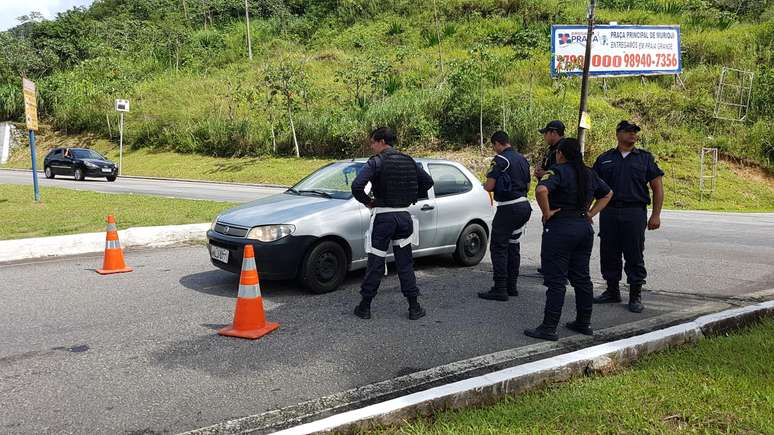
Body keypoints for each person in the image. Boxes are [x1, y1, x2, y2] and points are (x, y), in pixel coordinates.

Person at [524, 138, 612, 341]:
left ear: (561, 154)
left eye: (557, 153)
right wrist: (590, 213)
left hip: (561, 227)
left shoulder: (558, 171)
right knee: (581, 277)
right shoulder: (589, 172)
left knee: (556, 280)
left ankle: (549, 327)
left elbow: (541, 189)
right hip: (583, 227)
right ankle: (584, 322)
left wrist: (547, 213)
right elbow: (608, 194)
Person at [350, 127, 434, 320]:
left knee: (376, 263)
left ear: (381, 142)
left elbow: (356, 186)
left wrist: (368, 201)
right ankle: (414, 307)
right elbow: (428, 182)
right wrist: (411, 196)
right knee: (405, 264)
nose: (371, 146)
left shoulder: (377, 161)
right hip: (404, 219)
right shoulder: (408, 160)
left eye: (372, 142)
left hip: (383, 219)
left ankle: (365, 306)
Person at [592, 121, 664, 313]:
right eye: (628, 131)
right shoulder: (605, 158)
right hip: (609, 211)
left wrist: (656, 215)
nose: (632, 134)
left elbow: (657, 187)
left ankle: (635, 295)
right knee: (609, 252)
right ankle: (612, 290)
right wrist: (588, 211)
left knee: (634, 253)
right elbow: (592, 187)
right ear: (618, 134)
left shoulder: (645, 159)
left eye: (635, 132)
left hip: (634, 211)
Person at [478, 131, 532, 301]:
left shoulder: (501, 159)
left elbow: (489, 186)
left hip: (509, 207)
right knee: (513, 245)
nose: (494, 149)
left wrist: (484, 185)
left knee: (499, 247)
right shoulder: (523, 159)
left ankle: (500, 288)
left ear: (497, 144)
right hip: (524, 205)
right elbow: (529, 184)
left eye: (493, 146)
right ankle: (512, 286)